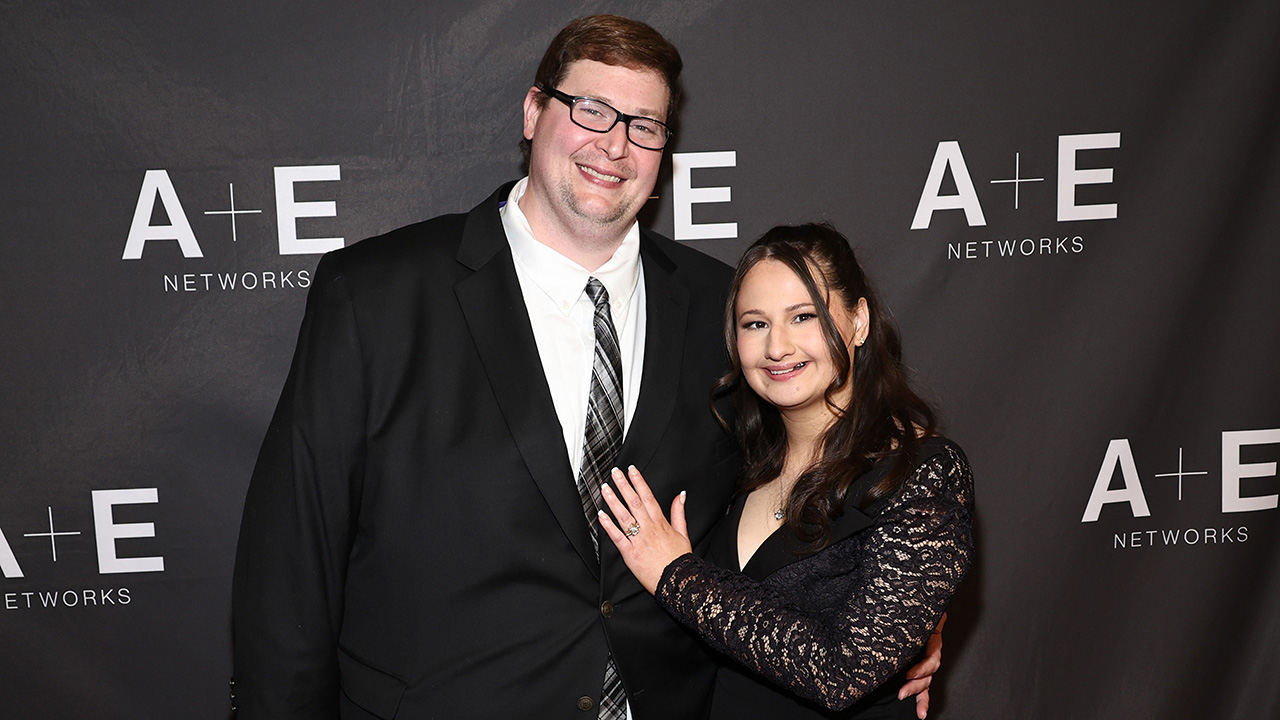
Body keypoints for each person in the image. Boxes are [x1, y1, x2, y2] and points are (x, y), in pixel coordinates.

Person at [232, 15, 940, 720]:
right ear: (534, 112)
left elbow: (811, 480)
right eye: (591, 109)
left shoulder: (727, 313)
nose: (615, 145)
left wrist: (909, 607)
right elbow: (291, 560)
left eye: (645, 125)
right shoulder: (376, 295)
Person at [599, 223, 973, 719]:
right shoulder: (737, 456)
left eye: (804, 317)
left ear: (858, 321)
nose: (777, 347)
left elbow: (844, 672)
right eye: (755, 323)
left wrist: (676, 574)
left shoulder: (922, 471)